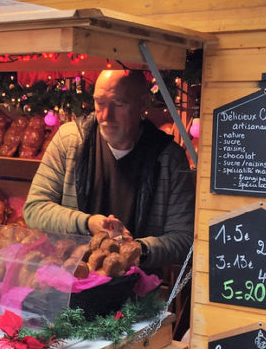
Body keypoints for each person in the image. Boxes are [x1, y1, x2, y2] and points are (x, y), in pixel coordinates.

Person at [23, 68, 194, 270]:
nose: (105, 115)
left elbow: (184, 238)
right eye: (99, 103)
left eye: (119, 104)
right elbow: (34, 209)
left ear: (143, 103)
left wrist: (136, 249)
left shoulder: (168, 158)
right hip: (68, 282)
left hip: (136, 293)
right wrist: (87, 223)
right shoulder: (70, 140)